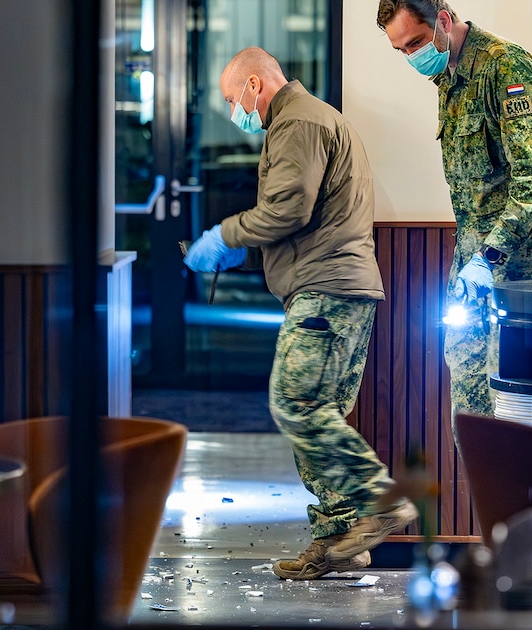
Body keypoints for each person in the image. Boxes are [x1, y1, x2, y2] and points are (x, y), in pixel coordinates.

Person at [183, 47, 416, 580]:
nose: (233, 111)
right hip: (340, 291)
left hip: (325, 293)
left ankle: (380, 498)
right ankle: (338, 541)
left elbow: (288, 208)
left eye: (231, 99)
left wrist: (225, 235)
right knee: (317, 418)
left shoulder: (298, 122)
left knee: (295, 404)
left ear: (254, 85)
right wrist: (248, 245)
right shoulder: (313, 119)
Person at [376, 0, 532, 418]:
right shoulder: (447, 77)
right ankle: (482, 485)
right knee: (468, 398)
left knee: (517, 410)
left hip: (525, 273)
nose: (412, 56)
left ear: (444, 21)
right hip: (474, 267)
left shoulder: (505, 68)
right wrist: (474, 263)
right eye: (401, 50)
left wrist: (489, 258)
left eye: (415, 42)